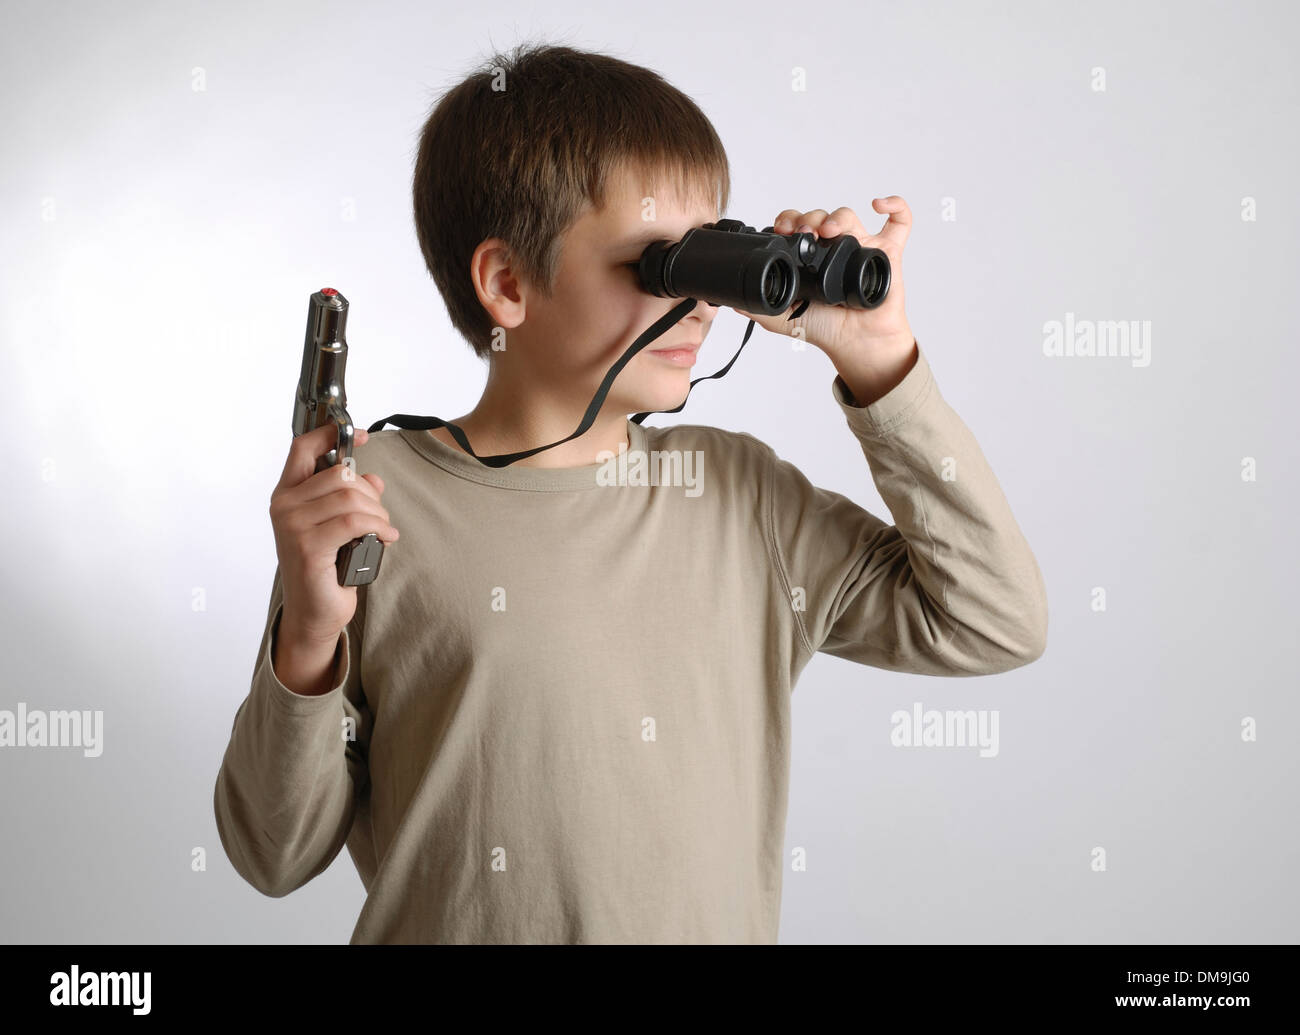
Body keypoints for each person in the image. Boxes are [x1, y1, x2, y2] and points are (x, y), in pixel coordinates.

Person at [213, 41, 1048, 944]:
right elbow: (274, 852)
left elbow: (994, 620)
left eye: (715, 255)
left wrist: (881, 364)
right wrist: (309, 635)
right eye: (661, 265)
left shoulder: (742, 499)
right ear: (507, 283)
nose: (703, 302)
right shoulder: (375, 504)